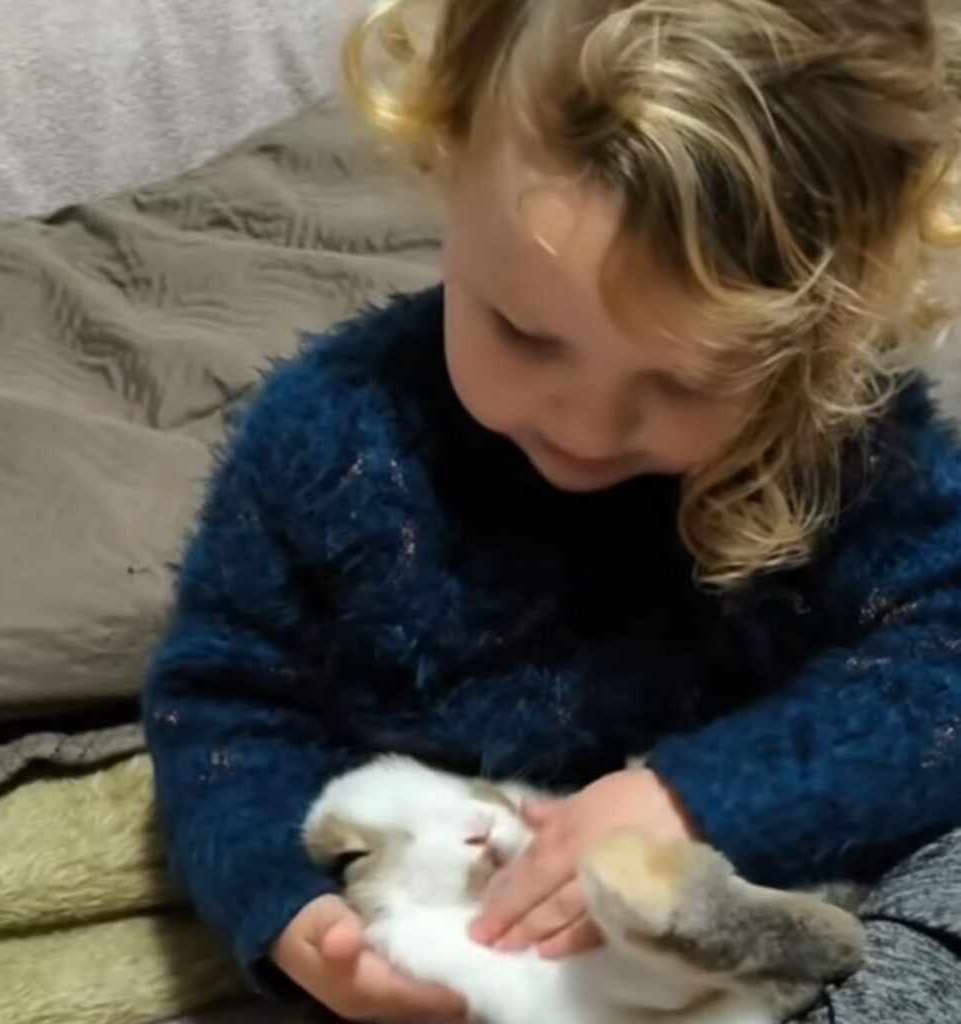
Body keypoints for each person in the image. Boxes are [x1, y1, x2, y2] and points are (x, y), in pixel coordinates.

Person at [144, 0, 961, 1019]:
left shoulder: (847, 441)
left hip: (772, 925)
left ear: (831, 312)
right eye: (524, 334)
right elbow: (222, 705)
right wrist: (285, 912)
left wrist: (694, 797)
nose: (585, 421)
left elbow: (942, 670)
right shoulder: (331, 439)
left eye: (685, 379)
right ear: (446, 155)